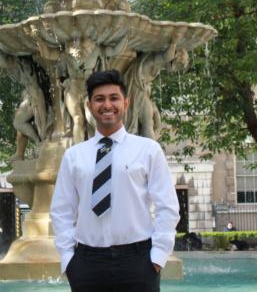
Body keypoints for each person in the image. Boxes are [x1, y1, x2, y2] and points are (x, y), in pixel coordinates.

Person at [50, 70, 180, 291]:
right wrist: (68, 258)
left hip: (138, 261)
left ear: (126, 103)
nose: (107, 105)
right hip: (86, 263)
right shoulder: (74, 156)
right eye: (99, 99)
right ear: (89, 105)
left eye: (114, 98)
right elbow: (61, 210)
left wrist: (158, 256)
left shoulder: (148, 150)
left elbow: (167, 206)